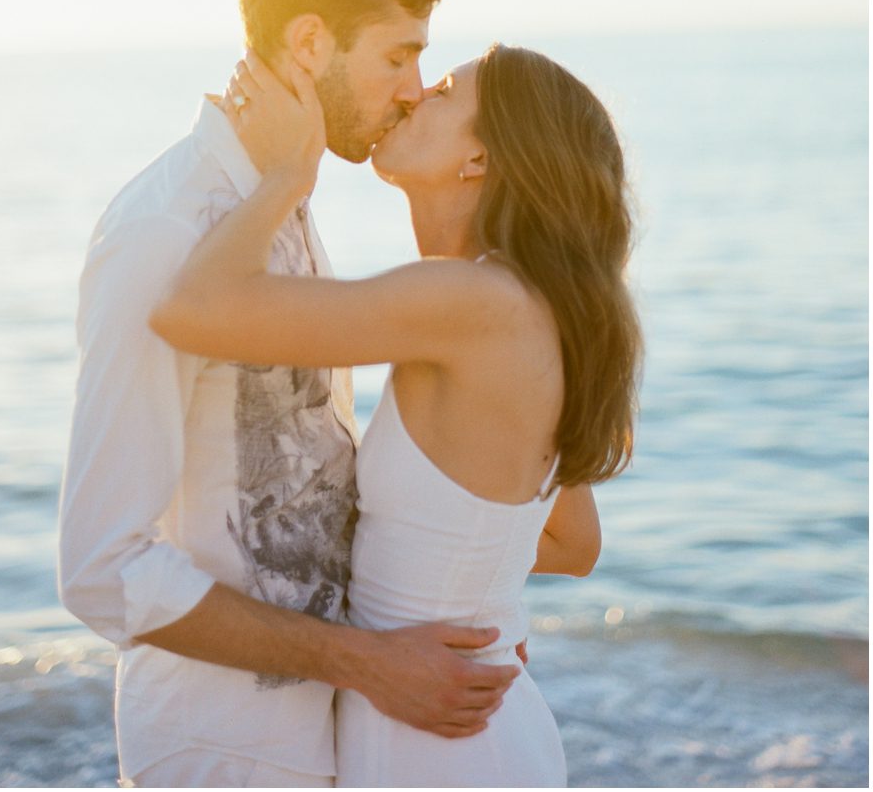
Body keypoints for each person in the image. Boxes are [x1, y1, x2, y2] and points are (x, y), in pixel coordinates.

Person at [59, 0, 526, 789]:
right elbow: (102, 568)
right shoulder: (163, 232)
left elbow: (309, 473)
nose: (410, 88)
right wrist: (370, 661)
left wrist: (473, 612)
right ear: (311, 43)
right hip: (218, 750)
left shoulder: (285, 202)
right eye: (399, 54)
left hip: (333, 734)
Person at [149, 41, 643, 788]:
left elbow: (192, 308)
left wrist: (288, 174)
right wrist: (468, 597)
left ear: (477, 160)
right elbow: (573, 542)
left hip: (439, 740)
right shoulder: (524, 305)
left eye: (443, 91)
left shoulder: (468, 302)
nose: (413, 96)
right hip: (454, 713)